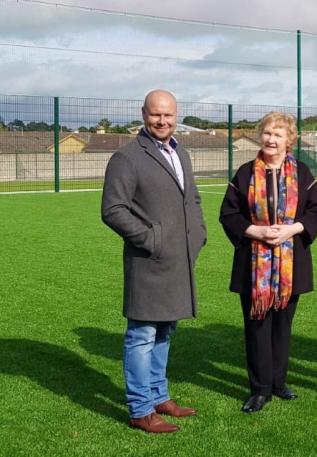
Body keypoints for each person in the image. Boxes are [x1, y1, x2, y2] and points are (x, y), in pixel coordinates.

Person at [101, 89, 207, 433]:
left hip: (178, 260)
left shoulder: (182, 154)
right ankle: (140, 409)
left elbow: (192, 198)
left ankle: (160, 396)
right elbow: (113, 209)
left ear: (177, 116)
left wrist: (198, 233)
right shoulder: (127, 158)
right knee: (142, 334)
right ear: (143, 114)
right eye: (155, 114)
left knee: (165, 330)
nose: (162, 121)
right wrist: (151, 238)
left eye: (168, 115)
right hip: (149, 261)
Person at [219, 112, 317, 413]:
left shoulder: (302, 174)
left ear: (289, 139)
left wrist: (292, 230)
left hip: (292, 266)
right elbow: (228, 214)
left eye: (278, 134)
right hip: (253, 267)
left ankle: (279, 383)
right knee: (257, 326)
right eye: (267, 133)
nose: (271, 139)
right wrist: (258, 231)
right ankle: (259, 389)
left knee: (282, 325)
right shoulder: (244, 174)